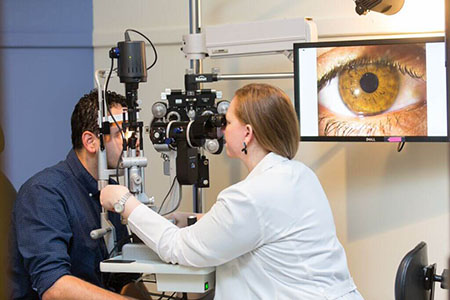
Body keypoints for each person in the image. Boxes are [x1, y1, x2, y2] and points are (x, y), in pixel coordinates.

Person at [100, 83, 365, 299]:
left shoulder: (250, 196)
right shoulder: (300, 175)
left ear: (247, 133)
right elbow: (269, 227)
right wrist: (197, 219)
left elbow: (178, 248)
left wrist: (125, 202)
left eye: (227, 122)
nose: (221, 130)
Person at [10, 90, 134, 300]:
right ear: (90, 141)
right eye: (122, 134)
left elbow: (121, 279)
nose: (132, 143)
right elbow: (53, 287)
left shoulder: (110, 190)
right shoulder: (44, 192)